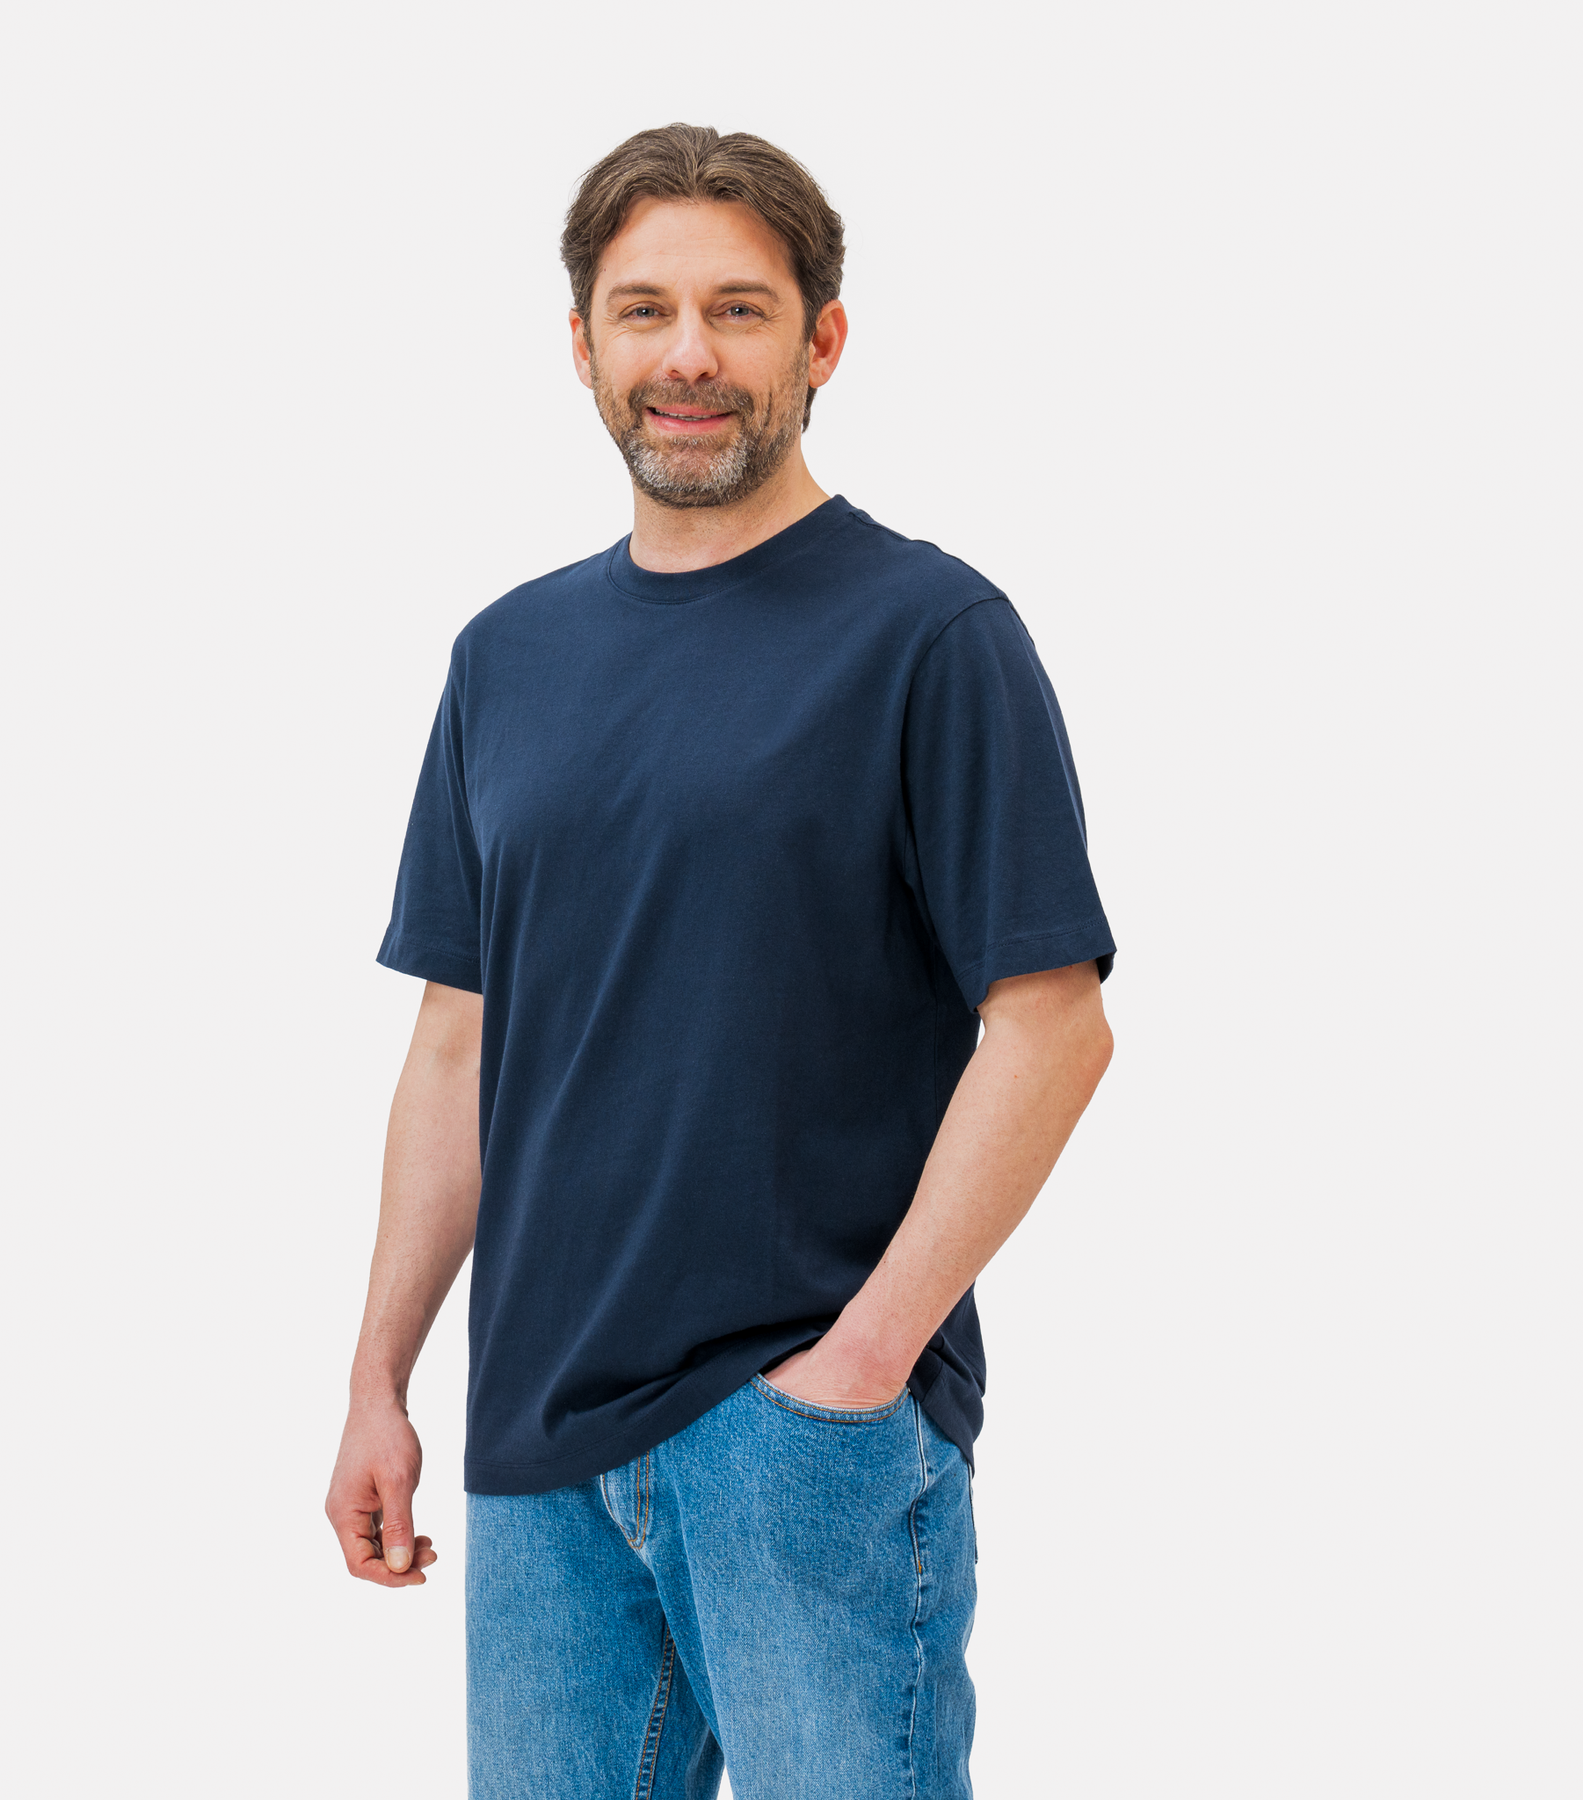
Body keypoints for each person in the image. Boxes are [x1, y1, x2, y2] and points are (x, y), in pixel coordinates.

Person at [325, 123, 1116, 1800]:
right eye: (646, 310)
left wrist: (859, 1369)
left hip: (799, 1437)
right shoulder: (505, 656)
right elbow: (459, 1040)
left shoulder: (930, 636)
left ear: (823, 341)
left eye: (739, 311)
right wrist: (379, 1379)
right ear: (583, 344)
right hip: (535, 1452)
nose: (688, 355)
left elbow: (1052, 1028)